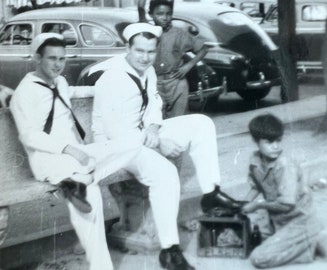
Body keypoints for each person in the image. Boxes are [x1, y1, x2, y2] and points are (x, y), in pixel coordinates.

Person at [93, 22, 242, 270]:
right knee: (166, 174)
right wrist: (159, 141)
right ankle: (169, 250)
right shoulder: (112, 78)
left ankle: (211, 194)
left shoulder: (147, 71)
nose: (145, 57)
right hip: (116, 146)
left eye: (150, 52)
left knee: (202, 124)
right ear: (127, 47)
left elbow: (153, 106)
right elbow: (115, 132)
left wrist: (154, 128)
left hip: (142, 135)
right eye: (139, 51)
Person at [10, 33, 140, 270]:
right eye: (52, 58)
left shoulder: (59, 83)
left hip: (77, 154)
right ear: (37, 59)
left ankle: (79, 180)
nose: (58, 64)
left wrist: (101, 89)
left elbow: (71, 93)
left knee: (132, 144)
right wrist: (68, 149)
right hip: (48, 160)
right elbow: (29, 136)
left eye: (62, 58)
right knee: (92, 194)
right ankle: (79, 181)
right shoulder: (24, 93)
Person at [242, 114, 327, 268]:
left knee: (259, 258)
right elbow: (256, 186)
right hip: (278, 220)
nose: (276, 146)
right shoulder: (255, 160)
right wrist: (242, 204)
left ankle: (309, 246)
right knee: (249, 243)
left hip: (298, 219)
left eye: (278, 141)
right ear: (256, 142)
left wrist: (257, 206)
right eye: (269, 142)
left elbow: (287, 205)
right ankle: (302, 240)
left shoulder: (284, 166)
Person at [138, 0, 208, 118]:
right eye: (159, 14)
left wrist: (188, 66)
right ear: (151, 14)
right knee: (156, 121)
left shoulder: (179, 34)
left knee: (179, 123)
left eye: (168, 14)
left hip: (177, 83)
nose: (165, 18)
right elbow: (140, 7)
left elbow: (203, 49)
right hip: (154, 84)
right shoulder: (147, 32)